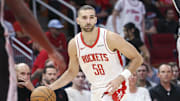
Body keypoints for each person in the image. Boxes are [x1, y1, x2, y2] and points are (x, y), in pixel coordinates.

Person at [49, 5, 143, 101]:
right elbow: (72, 72)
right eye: (84, 18)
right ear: (78, 21)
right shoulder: (74, 44)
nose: (88, 21)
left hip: (117, 87)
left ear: (95, 20)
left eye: (91, 17)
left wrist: (121, 78)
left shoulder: (110, 38)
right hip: (95, 90)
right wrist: (50, 88)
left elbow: (138, 58)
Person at [1, 0, 66, 100]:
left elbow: (40, 70)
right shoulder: (44, 52)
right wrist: (52, 51)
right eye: (22, 74)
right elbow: (24, 16)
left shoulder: (43, 53)